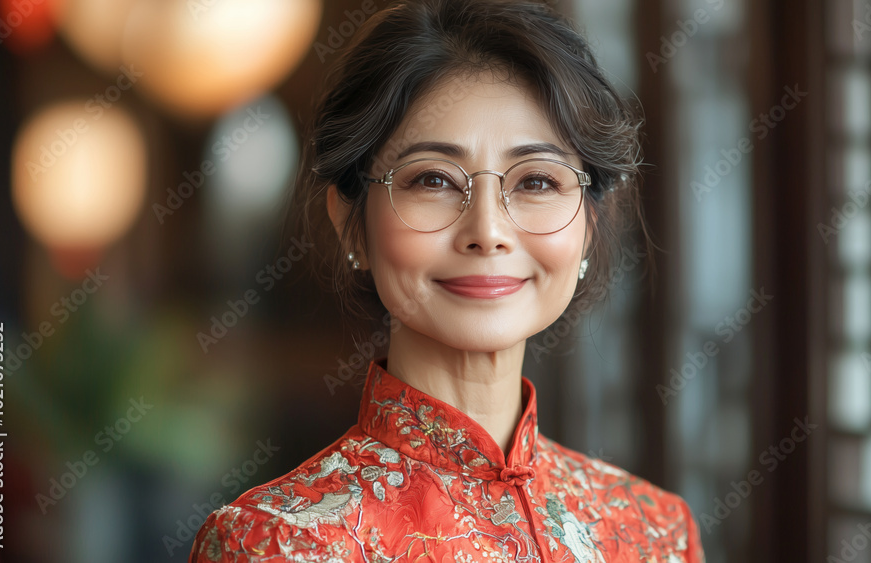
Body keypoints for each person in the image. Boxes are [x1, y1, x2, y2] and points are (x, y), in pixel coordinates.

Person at [189, 0, 705, 561]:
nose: (488, 231)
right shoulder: (277, 544)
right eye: (433, 179)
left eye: (536, 181)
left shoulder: (654, 532)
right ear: (351, 223)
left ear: (588, 225)